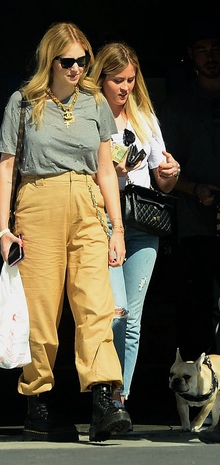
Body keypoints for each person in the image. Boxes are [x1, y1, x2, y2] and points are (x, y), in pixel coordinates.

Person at [0, 21, 131, 443]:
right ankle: (39, 403)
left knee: (95, 304)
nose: (76, 69)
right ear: (49, 61)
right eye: (67, 61)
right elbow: (6, 166)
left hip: (88, 204)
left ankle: (106, 399)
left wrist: (117, 227)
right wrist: (3, 230)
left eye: (82, 61)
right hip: (38, 203)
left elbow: (106, 167)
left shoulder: (94, 101)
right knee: (41, 310)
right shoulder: (23, 101)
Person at [90, 41, 180, 423]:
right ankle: (105, 395)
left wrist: (169, 174)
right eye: (117, 81)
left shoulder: (144, 117)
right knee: (114, 311)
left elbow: (164, 182)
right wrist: (112, 172)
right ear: (102, 80)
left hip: (143, 223)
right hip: (105, 222)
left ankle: (120, 400)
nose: (125, 88)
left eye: (131, 79)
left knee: (132, 318)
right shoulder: (90, 116)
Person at [159, 15, 220, 367]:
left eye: (215, 49)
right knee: (198, 308)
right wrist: (195, 189)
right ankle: (200, 390)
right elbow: (161, 172)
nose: (210, 56)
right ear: (190, 56)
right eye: (202, 51)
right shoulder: (177, 107)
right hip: (196, 223)